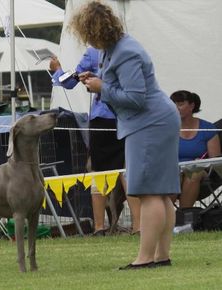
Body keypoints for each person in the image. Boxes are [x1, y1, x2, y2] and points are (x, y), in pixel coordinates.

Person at [69, 1, 181, 269]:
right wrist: (96, 81)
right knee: (161, 193)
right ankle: (161, 256)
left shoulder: (126, 52)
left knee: (149, 192)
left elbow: (135, 98)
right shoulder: (113, 49)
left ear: (93, 31)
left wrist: (102, 88)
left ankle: (145, 258)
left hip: (149, 123)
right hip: (154, 121)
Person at [49, 47, 141, 236]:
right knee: (128, 171)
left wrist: (57, 70)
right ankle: (138, 225)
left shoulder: (93, 52)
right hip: (129, 118)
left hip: (104, 120)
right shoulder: (130, 49)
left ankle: (99, 226)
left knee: (99, 172)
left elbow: (69, 82)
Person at [170, 90, 221, 208]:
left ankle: (184, 217)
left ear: (192, 106)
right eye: (173, 105)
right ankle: (164, 216)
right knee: (173, 174)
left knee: (193, 173)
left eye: (180, 104)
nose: (176, 108)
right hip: (173, 168)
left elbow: (216, 161)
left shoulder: (207, 128)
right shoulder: (167, 128)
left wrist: (201, 163)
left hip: (199, 170)